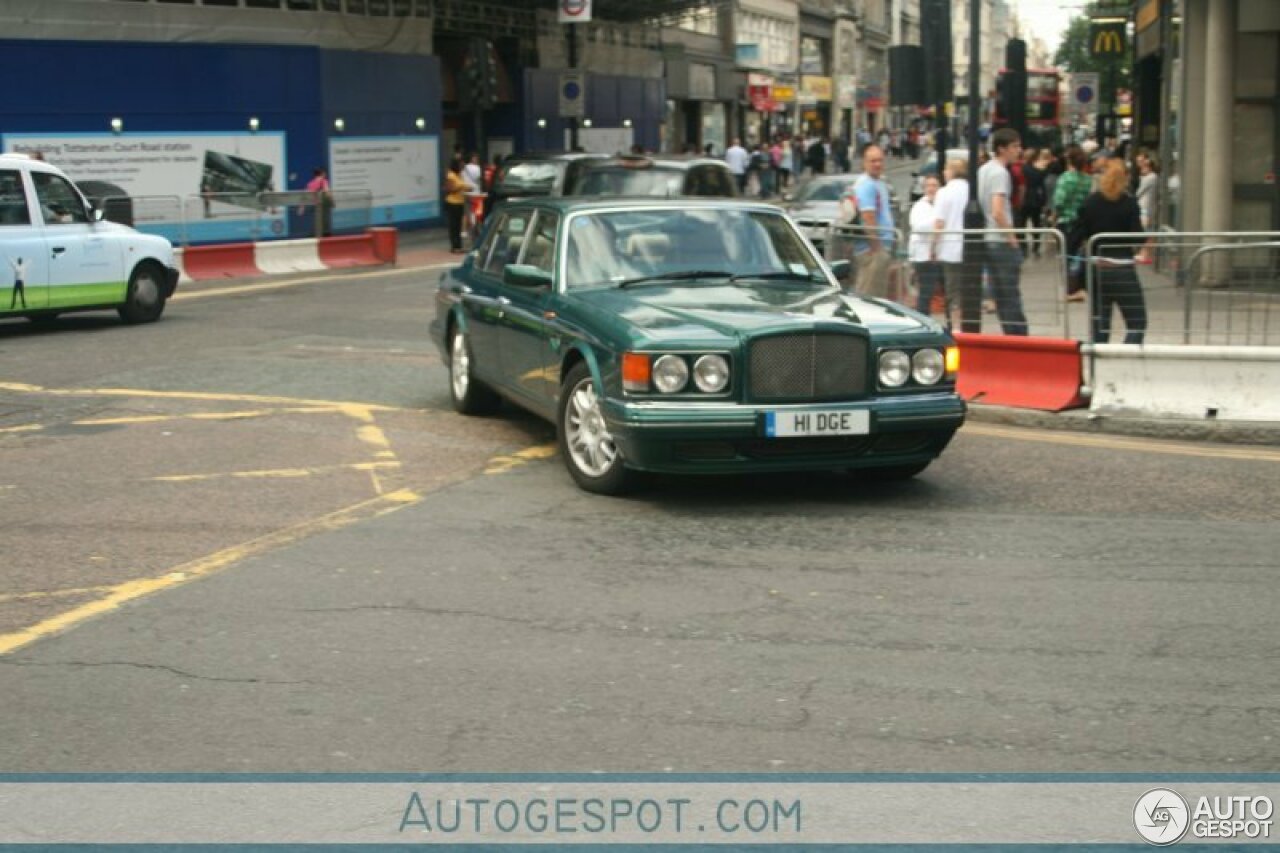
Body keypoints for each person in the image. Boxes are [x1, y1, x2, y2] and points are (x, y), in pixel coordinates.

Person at [1070, 158, 1147, 344]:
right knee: (1137, 321)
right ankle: (1125, 355)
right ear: (1125, 178)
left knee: (1100, 324)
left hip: (1096, 267)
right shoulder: (1129, 203)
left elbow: (1076, 235)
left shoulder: (1090, 202)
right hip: (1122, 268)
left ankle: (1099, 363)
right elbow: (1138, 237)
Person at [977, 128, 1029, 335]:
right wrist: (1012, 237)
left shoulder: (984, 170)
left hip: (988, 239)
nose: (1019, 150)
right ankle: (1018, 336)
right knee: (1010, 293)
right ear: (1002, 149)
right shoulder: (1000, 173)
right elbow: (998, 210)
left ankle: (1010, 334)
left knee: (1000, 292)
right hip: (1000, 240)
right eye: (1015, 146)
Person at [845, 144, 896, 298]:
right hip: (871, 251)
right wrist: (877, 248)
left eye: (880, 160)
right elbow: (868, 218)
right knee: (869, 298)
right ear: (864, 163)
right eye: (873, 161)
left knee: (876, 296)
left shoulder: (879, 183)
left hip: (877, 248)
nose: (877, 164)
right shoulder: (867, 185)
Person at [931, 158, 972, 331]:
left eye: (946, 169)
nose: (944, 173)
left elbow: (939, 223)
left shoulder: (944, 192)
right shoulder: (972, 190)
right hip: (971, 246)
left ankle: (956, 327)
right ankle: (969, 323)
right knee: (969, 288)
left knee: (953, 290)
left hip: (950, 248)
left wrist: (932, 247)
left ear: (953, 171)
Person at [1053, 145, 1092, 301]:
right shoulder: (1087, 179)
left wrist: (1054, 216)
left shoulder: (1065, 178)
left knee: (1066, 253)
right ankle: (1079, 286)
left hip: (1066, 220)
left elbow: (1059, 202)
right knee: (1078, 254)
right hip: (1081, 221)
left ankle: (1070, 288)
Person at [909, 175, 944, 320]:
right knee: (926, 292)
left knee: (944, 292)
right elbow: (918, 227)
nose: (931, 188)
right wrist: (936, 222)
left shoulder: (942, 204)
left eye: (934, 185)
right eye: (928, 185)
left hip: (941, 254)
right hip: (923, 255)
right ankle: (923, 320)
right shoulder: (919, 206)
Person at [1019, 148, 1049, 258]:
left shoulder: (1021, 169)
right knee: (1036, 223)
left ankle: (1023, 246)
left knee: (1022, 223)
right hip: (1036, 198)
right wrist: (1044, 200)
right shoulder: (1038, 171)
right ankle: (1036, 246)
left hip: (1024, 198)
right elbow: (1042, 186)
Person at [1134, 150, 1159, 263]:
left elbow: (1139, 192)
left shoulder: (1151, 177)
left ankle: (1145, 253)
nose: (1139, 163)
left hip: (1146, 207)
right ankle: (1144, 253)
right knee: (1146, 230)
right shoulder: (1146, 177)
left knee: (1147, 230)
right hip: (1145, 206)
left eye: (1141, 160)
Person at [443, 157, 469, 253]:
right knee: (453, 225)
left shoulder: (459, 175)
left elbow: (463, 185)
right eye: (461, 164)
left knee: (458, 225)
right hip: (452, 202)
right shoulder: (451, 175)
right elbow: (449, 189)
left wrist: (467, 188)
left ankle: (459, 245)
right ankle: (454, 246)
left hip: (460, 202)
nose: (463, 166)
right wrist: (460, 188)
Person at [306, 167, 332, 237]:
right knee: (325, 222)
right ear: (322, 174)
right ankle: (325, 236)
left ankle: (315, 235)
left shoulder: (310, 183)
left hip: (314, 205)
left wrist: (301, 208)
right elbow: (327, 192)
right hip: (323, 205)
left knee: (316, 222)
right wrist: (331, 200)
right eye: (324, 173)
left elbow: (307, 195)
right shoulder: (324, 181)